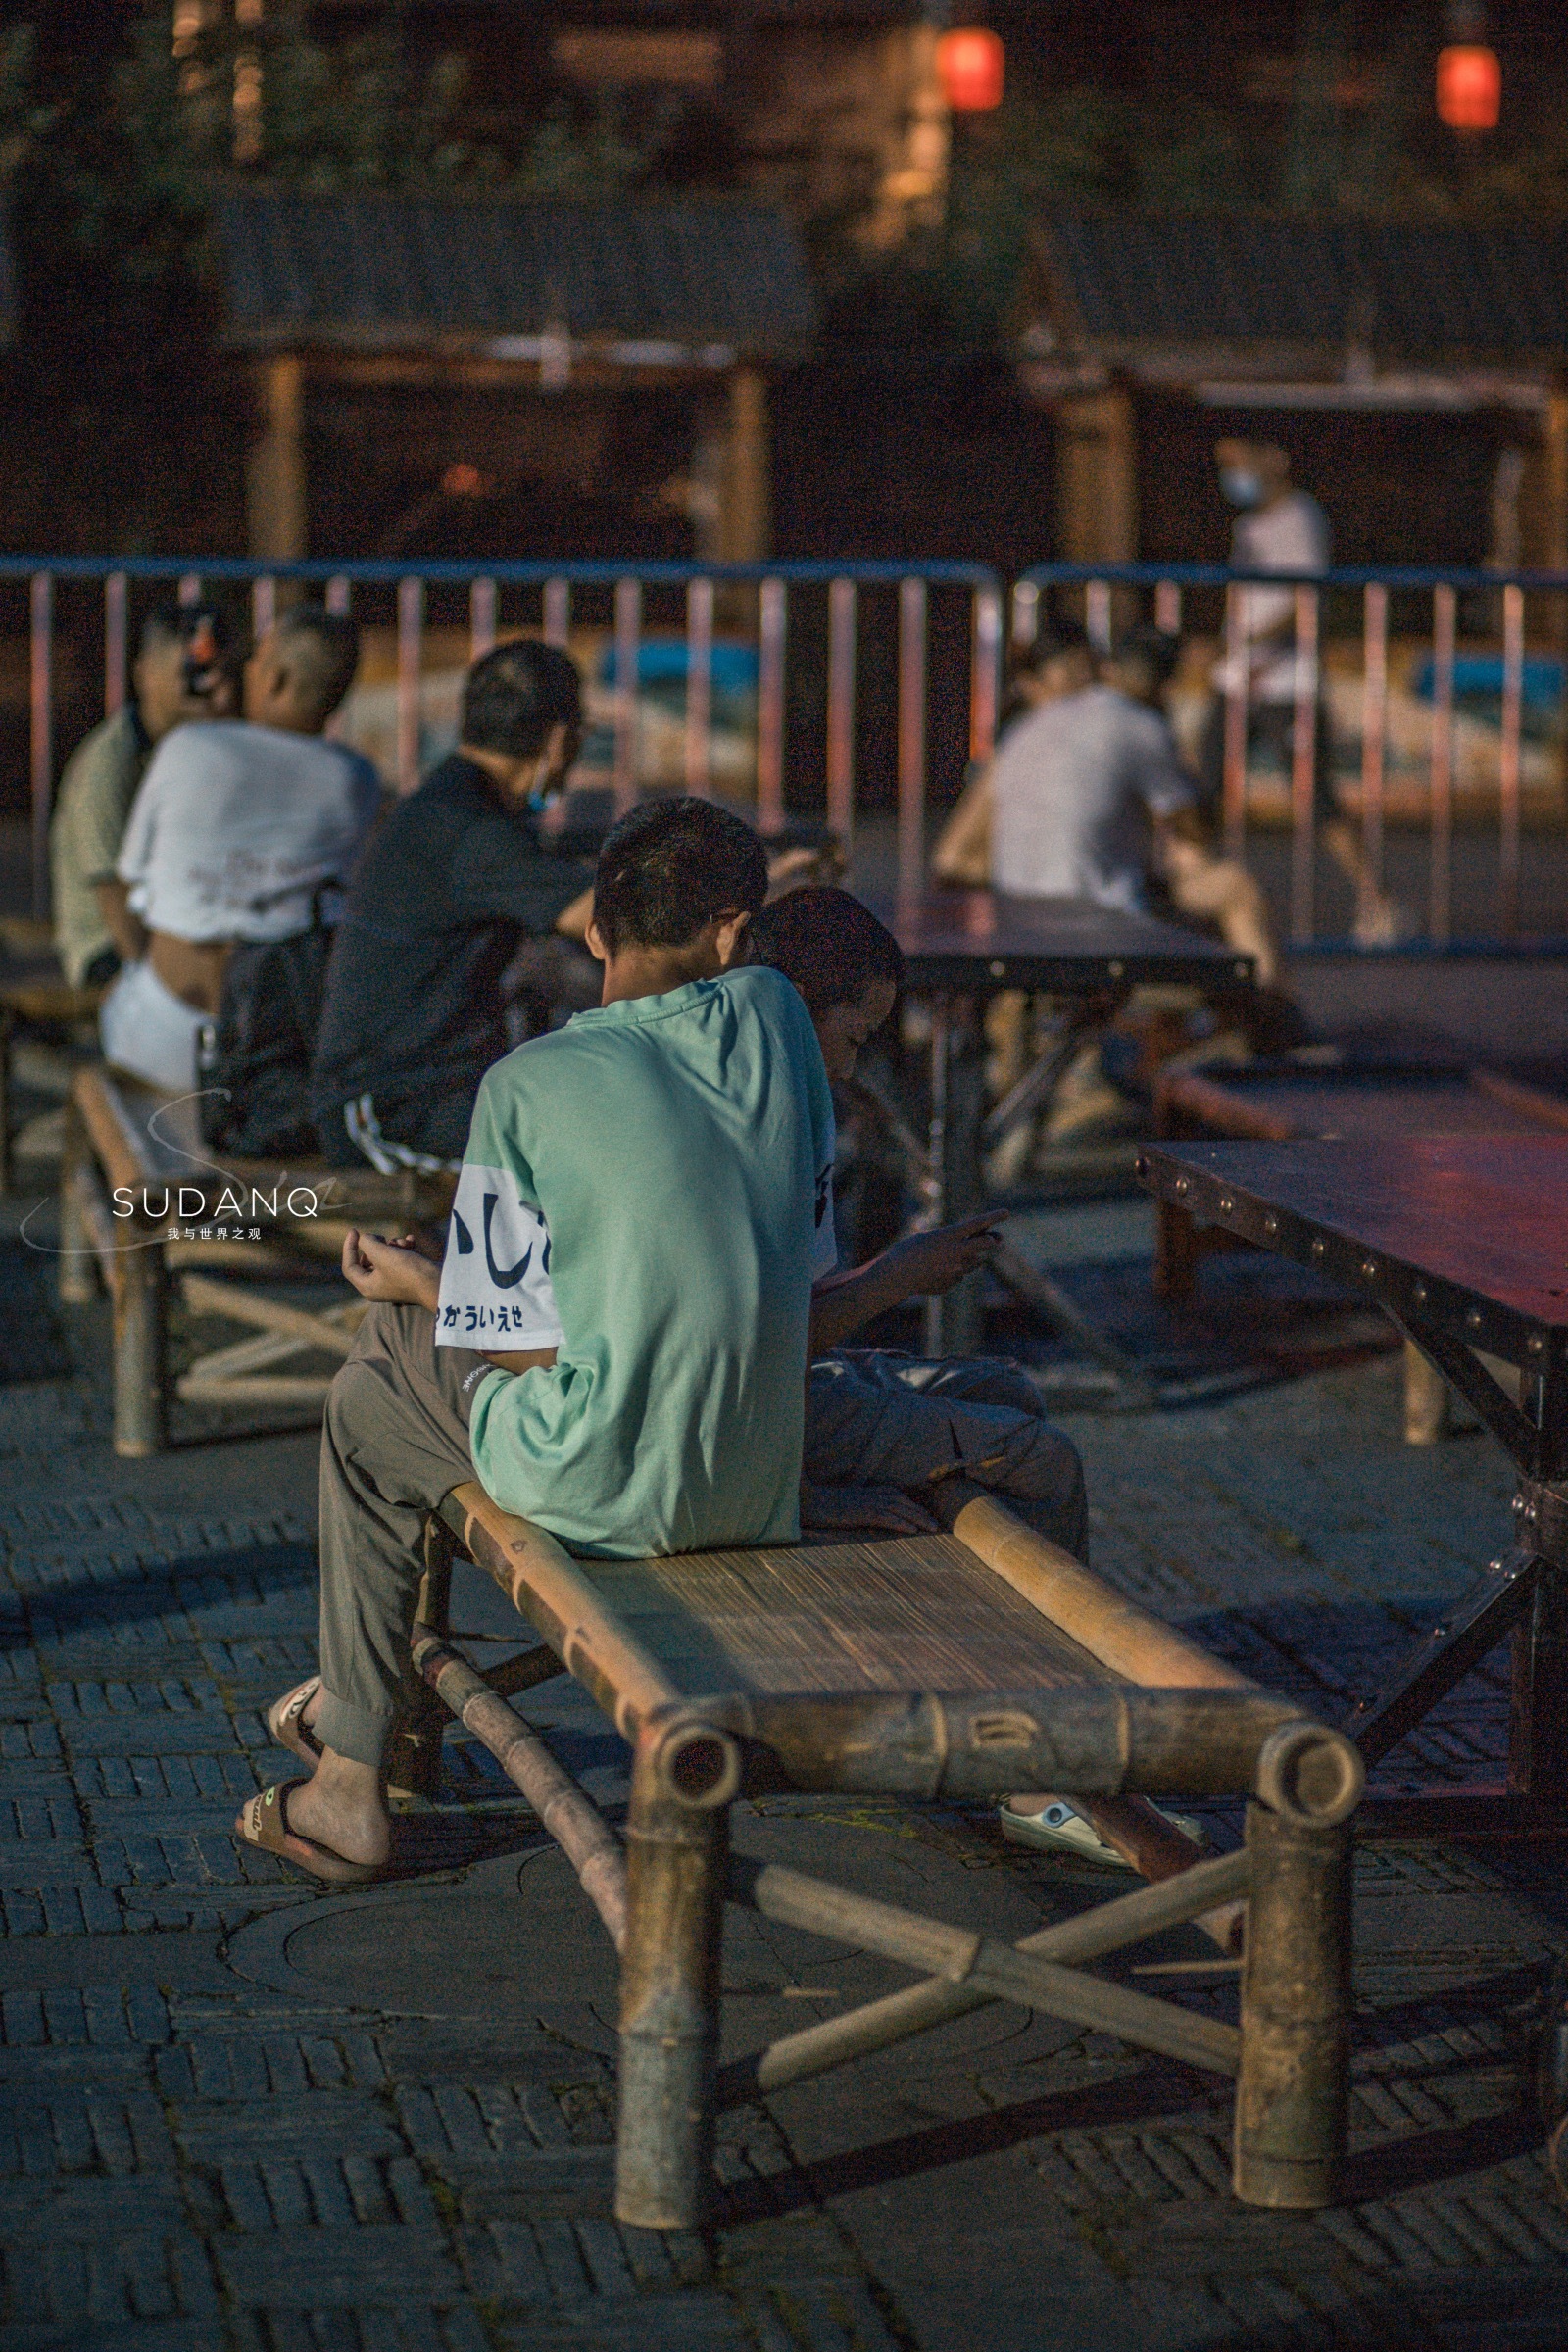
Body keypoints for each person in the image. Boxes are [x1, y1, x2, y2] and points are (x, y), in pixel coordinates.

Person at [240, 798, 833, 1881]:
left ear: (595, 934)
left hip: (601, 1482)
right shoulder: (779, 1023)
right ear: (739, 937)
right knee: (406, 1332)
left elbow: (507, 1338)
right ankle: (352, 1716)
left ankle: (351, 1771)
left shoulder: (526, 1083)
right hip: (754, 1476)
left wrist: (427, 1288)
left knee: (371, 1391)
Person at [746, 887, 1087, 1552]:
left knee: (1006, 1388)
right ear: (791, 1001)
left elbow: (790, 1315)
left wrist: (900, 1269)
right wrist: (900, 1277)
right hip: (756, 1413)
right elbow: (768, 1346)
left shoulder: (791, 1094)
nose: (847, 1068)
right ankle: (1041, 1652)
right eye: (851, 1038)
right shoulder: (768, 1116)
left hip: (773, 1389)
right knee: (1047, 1464)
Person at [310, 640, 596, 1172]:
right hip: (390, 1107)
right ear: (560, 742)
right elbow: (603, 915)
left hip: (431, 1089)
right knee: (586, 1160)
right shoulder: (470, 828)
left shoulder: (453, 805)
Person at [99, 605, 379, 1096]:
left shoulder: (188, 748)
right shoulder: (357, 780)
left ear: (277, 679)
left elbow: (128, 881)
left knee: (120, 990)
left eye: (256, 658)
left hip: (165, 1036)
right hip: (282, 1049)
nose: (244, 669)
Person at [1201, 437, 1404, 947]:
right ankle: (1194, 894)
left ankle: (1377, 901)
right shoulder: (1248, 525)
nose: (1233, 475)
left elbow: (1303, 599)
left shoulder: (1300, 518)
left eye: (1239, 463)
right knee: (1199, 787)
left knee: (1316, 799)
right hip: (1237, 676)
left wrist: (1251, 643)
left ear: (1272, 460)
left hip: (1287, 681)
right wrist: (1228, 648)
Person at [50, 602, 238, 989]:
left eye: (221, 673)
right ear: (145, 676)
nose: (212, 689)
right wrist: (148, 996)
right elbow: (114, 895)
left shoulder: (198, 748)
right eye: (194, 673)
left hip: (177, 930)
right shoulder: (109, 762)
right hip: (111, 948)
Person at [989, 626, 1194, 911]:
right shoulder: (1140, 723)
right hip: (1095, 909)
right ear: (1167, 687)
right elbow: (1192, 824)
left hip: (1012, 906)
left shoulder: (1029, 724)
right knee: (1235, 890)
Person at [931, 628, 1095, 889]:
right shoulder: (1019, 748)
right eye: (1074, 676)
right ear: (1031, 685)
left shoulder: (1021, 744)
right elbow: (953, 857)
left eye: (1091, 675)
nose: (1090, 691)